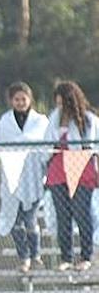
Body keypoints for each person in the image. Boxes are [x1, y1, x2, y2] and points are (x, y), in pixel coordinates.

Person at [44, 81, 99, 272]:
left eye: (63, 104)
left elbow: (93, 147)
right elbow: (47, 144)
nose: (60, 108)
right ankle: (66, 257)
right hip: (59, 171)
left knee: (82, 212)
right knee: (63, 215)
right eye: (57, 104)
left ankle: (86, 256)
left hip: (82, 169)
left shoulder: (89, 119)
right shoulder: (54, 118)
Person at [0, 82, 49, 274]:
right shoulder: (4, 122)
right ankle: (23, 257)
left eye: (23, 99)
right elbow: (1, 147)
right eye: (16, 99)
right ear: (11, 101)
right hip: (12, 178)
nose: (20, 102)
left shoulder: (40, 121)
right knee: (15, 221)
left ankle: (35, 255)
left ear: (29, 99)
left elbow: (46, 146)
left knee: (30, 218)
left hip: (33, 177)